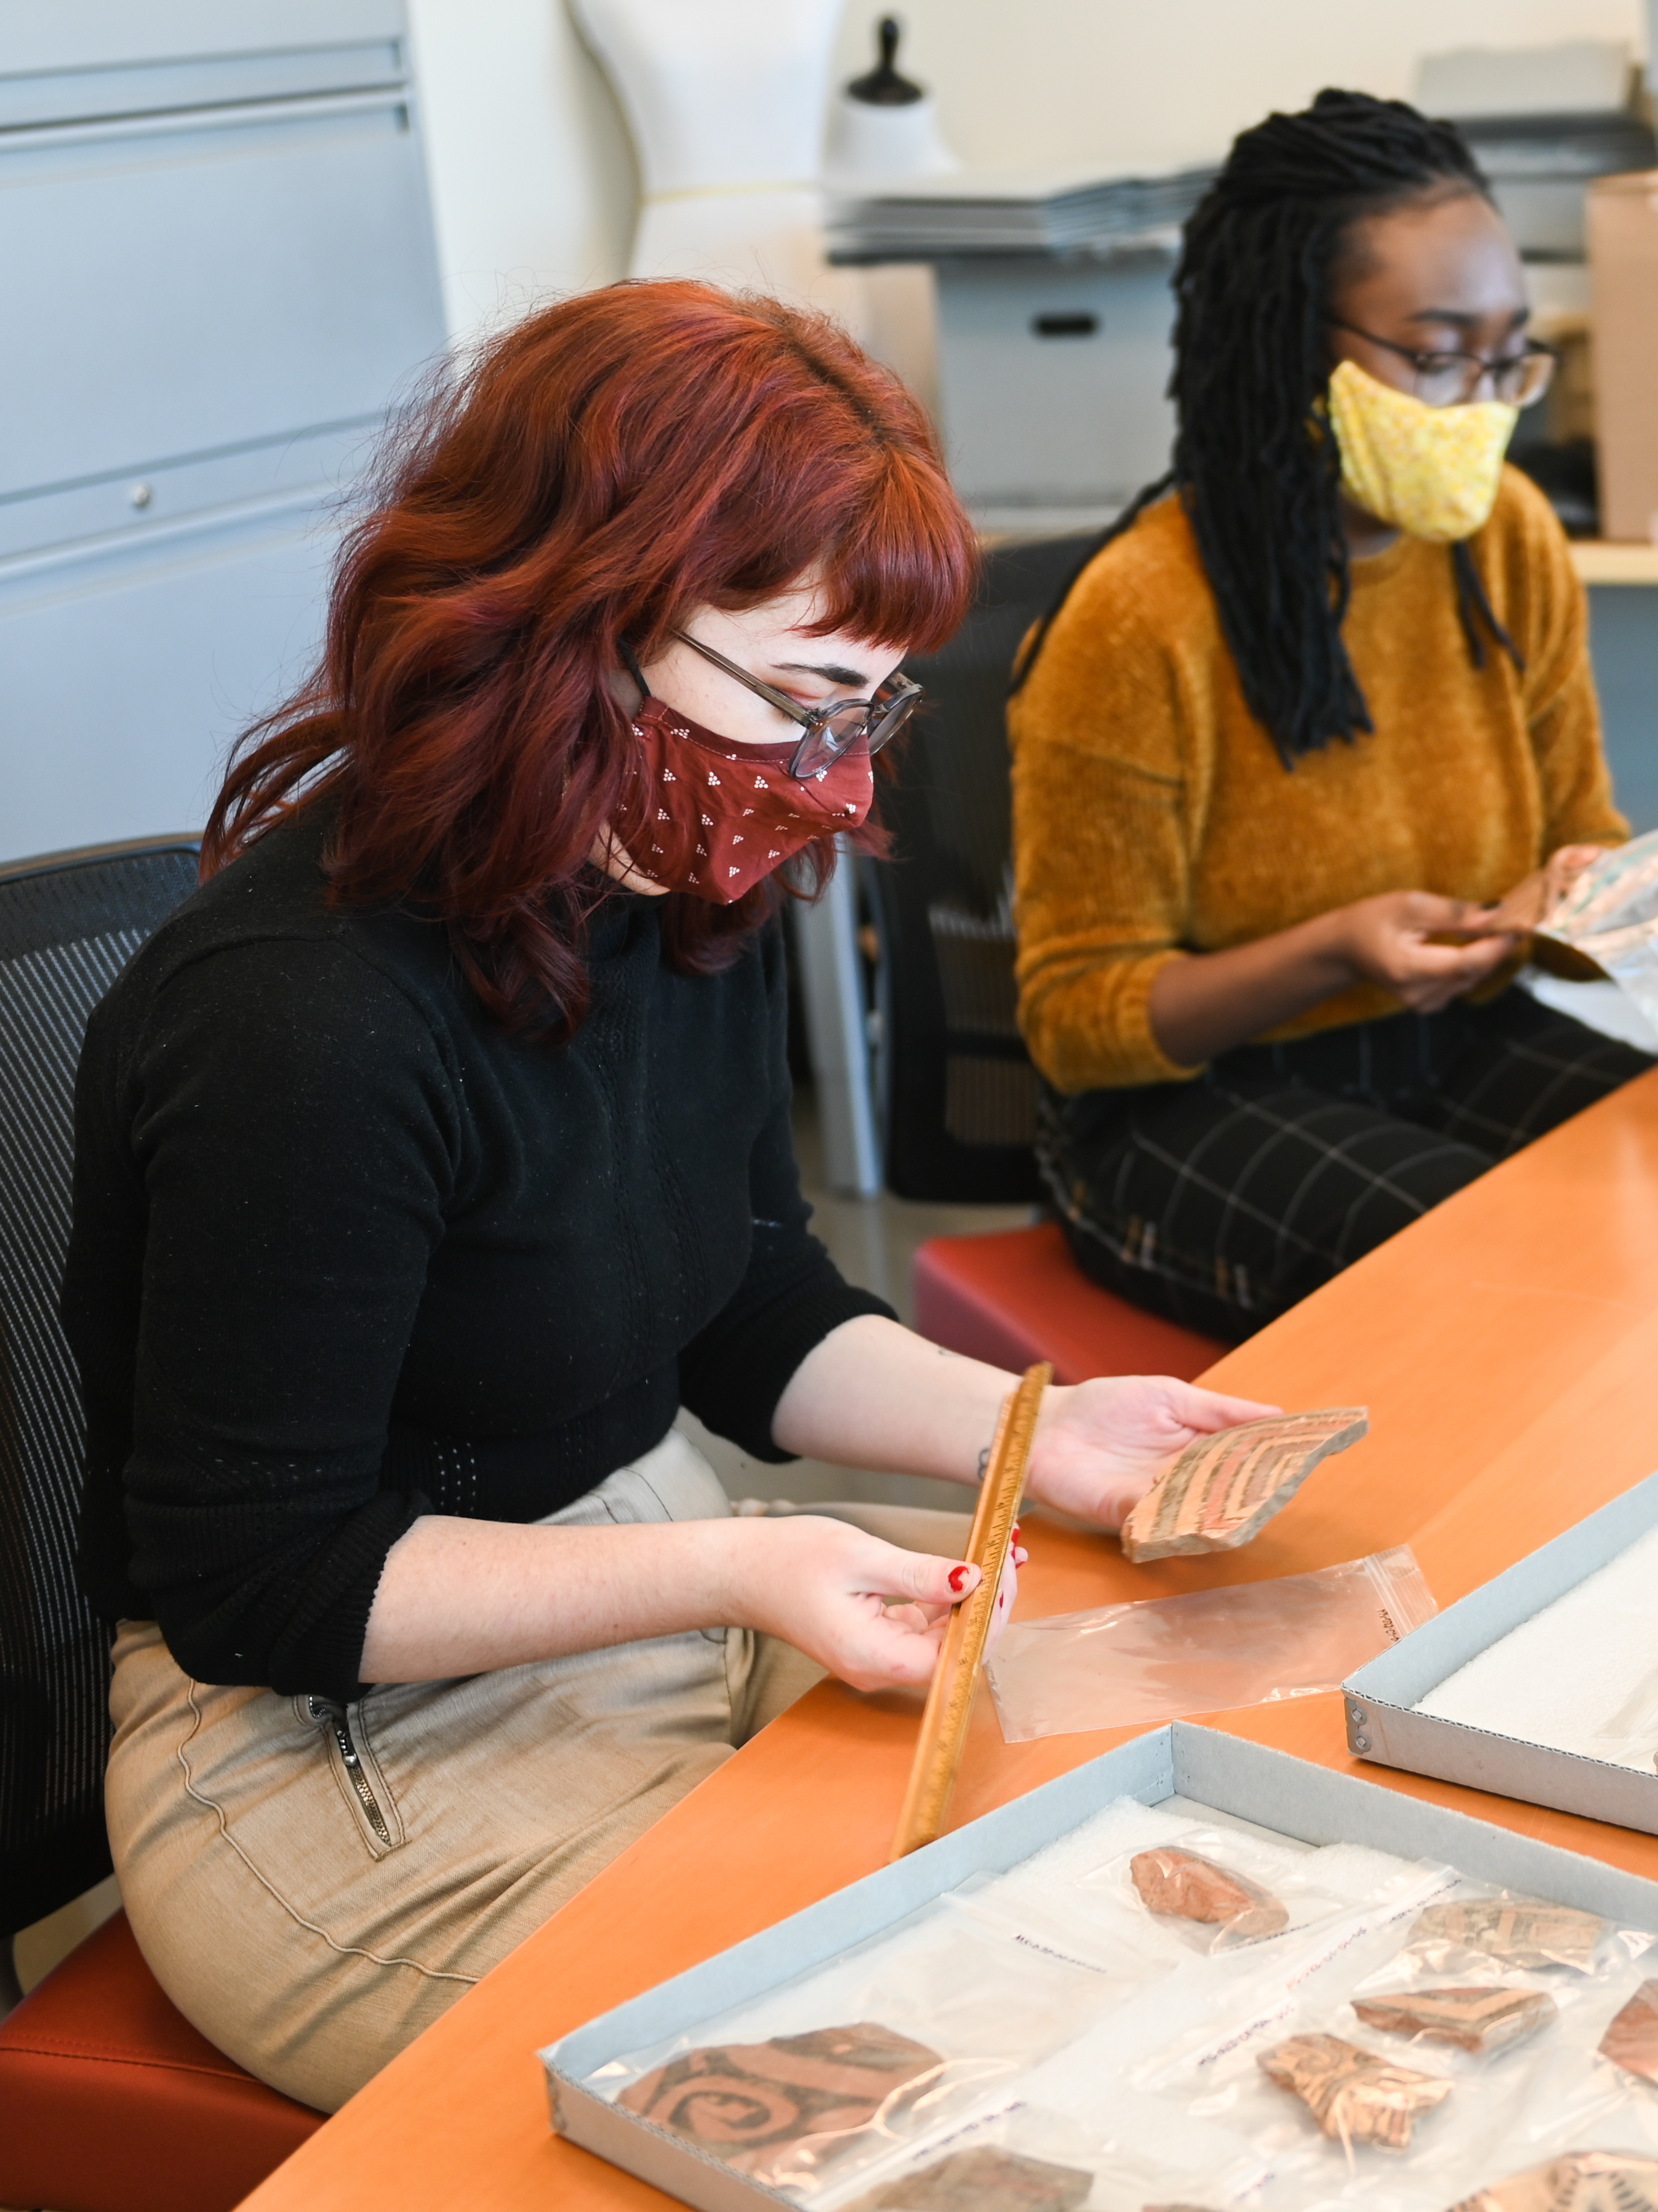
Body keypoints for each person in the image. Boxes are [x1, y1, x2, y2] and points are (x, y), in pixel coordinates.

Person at [58, 281, 1270, 2111]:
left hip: (643, 1569)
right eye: (798, 705)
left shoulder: (668, 878)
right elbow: (260, 1583)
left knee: (1146, 1905)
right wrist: (752, 1560)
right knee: (922, 2087)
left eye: (867, 713)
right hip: (333, 1736)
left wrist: (1040, 1427)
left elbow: (739, 1292)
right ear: (569, 625)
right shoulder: (301, 1022)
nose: (834, 783)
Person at [1008, 90, 1658, 1343]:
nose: (1479, 399)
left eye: (1506, 351)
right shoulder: (1137, 614)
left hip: (1460, 1043)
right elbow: (1080, 1023)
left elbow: (1584, 843)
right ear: (1288, 339)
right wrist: (1331, 949)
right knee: (1502, 1278)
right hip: (1180, 1105)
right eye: (1432, 354)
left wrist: (1598, 897)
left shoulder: (1505, 537)